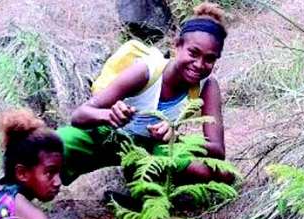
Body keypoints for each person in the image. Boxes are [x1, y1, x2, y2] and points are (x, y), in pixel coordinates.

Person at [57, 2, 233, 185]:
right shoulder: (146, 71)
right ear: (177, 46)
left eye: (210, 59)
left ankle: (144, 193)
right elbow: (79, 115)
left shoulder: (207, 86)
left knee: (222, 174)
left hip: (153, 149)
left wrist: (176, 138)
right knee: (57, 143)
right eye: (193, 53)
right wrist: (108, 115)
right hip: (110, 136)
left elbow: (217, 150)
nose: (199, 64)